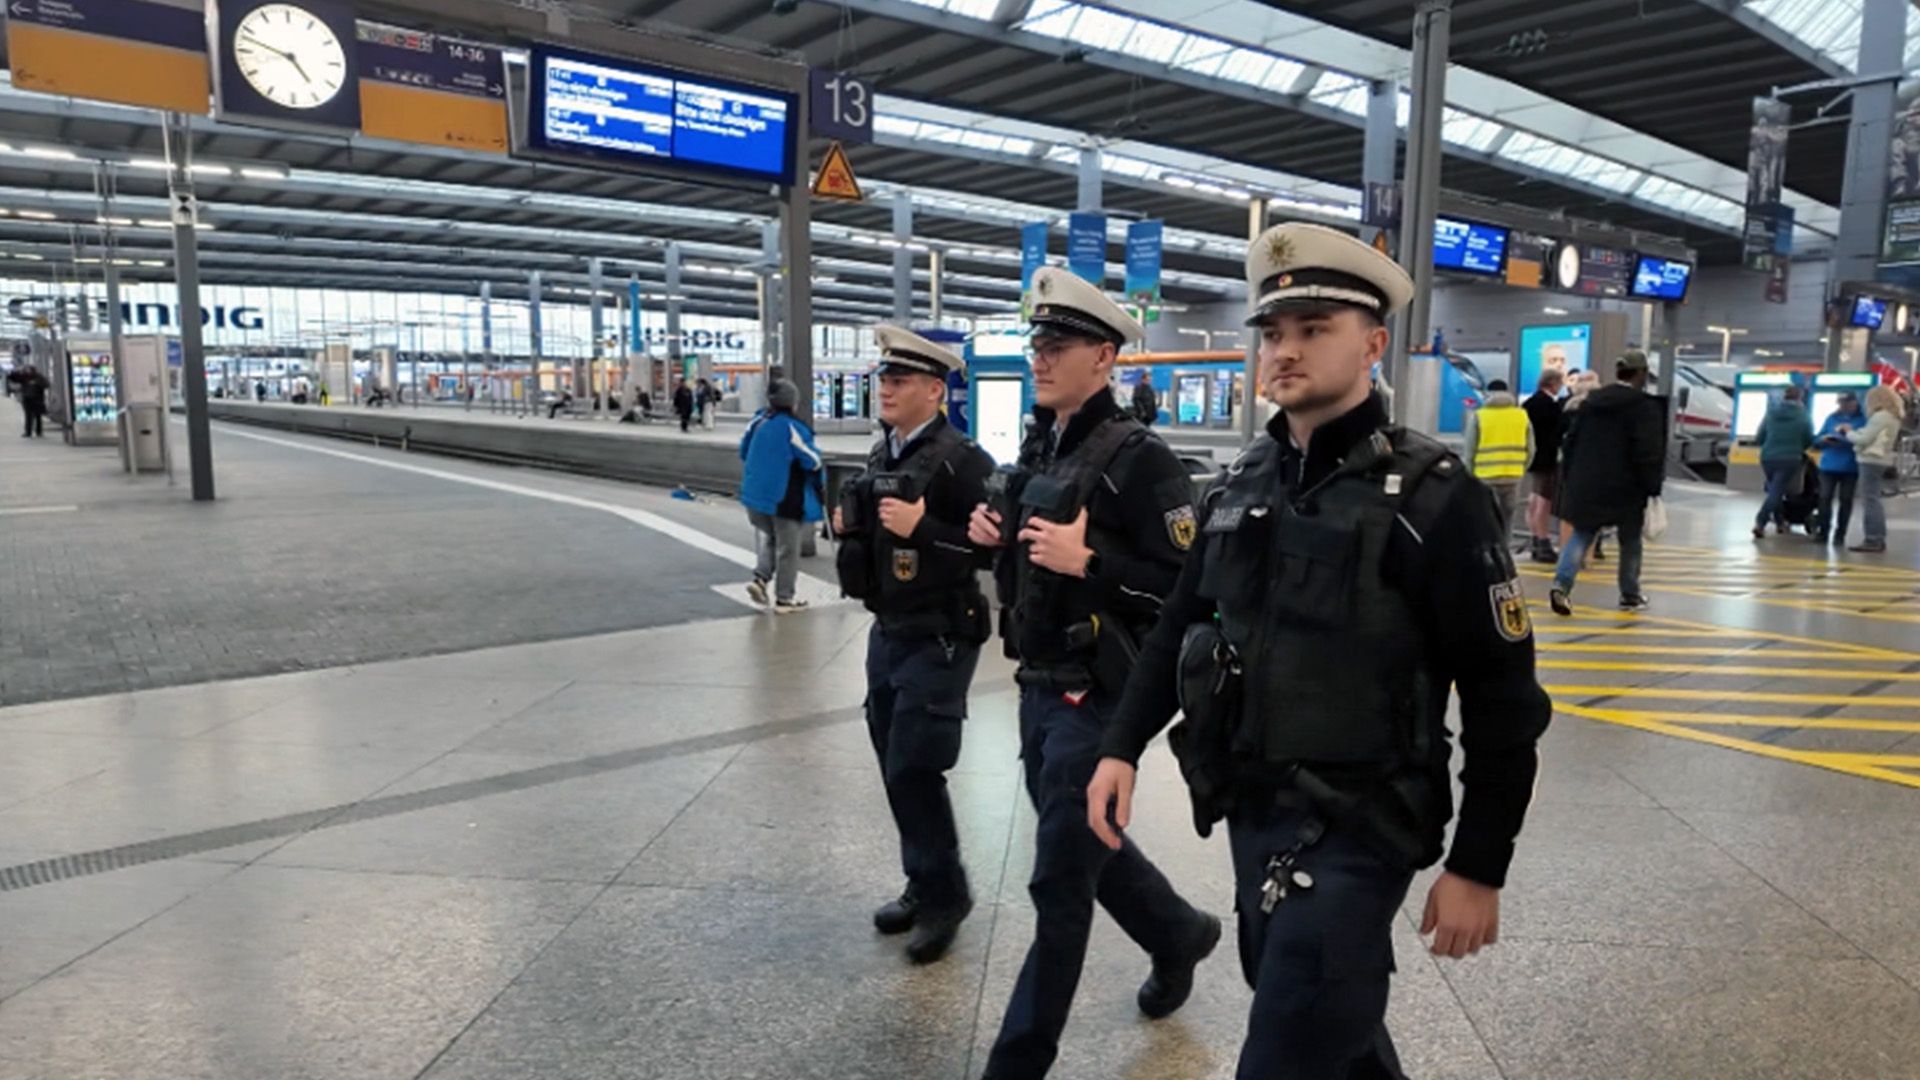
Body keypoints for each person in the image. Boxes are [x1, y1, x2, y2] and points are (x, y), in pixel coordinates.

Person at [1086, 222, 1552, 1080]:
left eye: (1313, 329)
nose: (1285, 351)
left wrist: (1479, 865)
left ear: (1373, 345)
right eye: (1273, 332)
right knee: (1324, 1023)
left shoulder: (1432, 499)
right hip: (1252, 806)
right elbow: (1179, 624)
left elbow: (1504, 700)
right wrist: (1121, 747)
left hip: (1364, 821)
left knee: (1289, 1041)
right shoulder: (1239, 485)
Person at [967, 266, 1220, 1079]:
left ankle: (1015, 1064)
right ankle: (1178, 931)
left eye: (1059, 345)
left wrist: (1093, 563)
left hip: (1101, 696)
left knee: (1058, 883)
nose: (1040, 358)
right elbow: (1030, 557)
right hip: (1040, 686)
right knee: (1082, 842)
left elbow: (1189, 592)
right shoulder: (1044, 442)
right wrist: (992, 534)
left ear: (1105, 357)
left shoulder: (1142, 459)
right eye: (1037, 344)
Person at [832, 325, 995, 965]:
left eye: (900, 381)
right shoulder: (884, 454)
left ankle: (946, 897)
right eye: (884, 380)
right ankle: (923, 880)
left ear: (935, 390)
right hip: (889, 630)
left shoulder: (964, 461)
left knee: (915, 765)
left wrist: (924, 526)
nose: (887, 390)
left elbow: (988, 550)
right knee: (892, 762)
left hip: (941, 633)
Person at [1550, 351, 1666, 616]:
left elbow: (1570, 442)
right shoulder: (1644, 407)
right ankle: (1630, 595)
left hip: (1587, 482)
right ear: (1641, 374)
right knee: (1630, 541)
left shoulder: (1590, 403)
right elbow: (1648, 452)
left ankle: (1561, 586)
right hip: (1627, 486)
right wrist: (1652, 487)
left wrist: (1571, 476)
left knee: (1582, 534)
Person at [738, 378, 823, 612]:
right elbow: (812, 461)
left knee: (773, 537)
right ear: (792, 402)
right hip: (782, 498)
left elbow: (743, 451)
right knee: (788, 549)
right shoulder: (792, 428)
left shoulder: (757, 421)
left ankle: (760, 579)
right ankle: (784, 599)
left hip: (754, 497)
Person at [1463, 378, 1534, 540]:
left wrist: (1470, 474)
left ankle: (1487, 550)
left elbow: (1470, 450)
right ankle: (1505, 550)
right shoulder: (1521, 415)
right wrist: (1521, 468)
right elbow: (1531, 449)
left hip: (1485, 477)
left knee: (1485, 518)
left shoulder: (1479, 416)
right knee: (1507, 519)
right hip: (1512, 476)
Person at [1843, 385, 1907, 553]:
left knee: (1870, 500)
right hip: (1880, 460)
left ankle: (1873, 538)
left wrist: (1848, 432)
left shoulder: (1880, 417)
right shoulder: (1893, 417)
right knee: (1873, 499)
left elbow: (1864, 439)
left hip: (1870, 460)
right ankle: (1877, 537)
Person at [1752, 385, 1815, 539]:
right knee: (1776, 491)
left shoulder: (1771, 412)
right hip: (1790, 458)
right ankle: (1760, 522)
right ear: (1800, 397)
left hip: (1767, 457)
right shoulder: (1803, 415)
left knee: (1775, 488)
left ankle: (1780, 522)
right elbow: (1808, 438)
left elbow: (1759, 436)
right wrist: (1799, 447)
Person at [1522, 369, 1566, 563]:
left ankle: (1535, 538)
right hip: (1547, 458)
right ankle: (1543, 542)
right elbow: (1557, 434)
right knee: (1544, 501)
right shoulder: (1551, 406)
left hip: (1532, 457)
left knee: (1533, 498)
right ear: (1553, 383)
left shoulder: (1528, 404)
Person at [1814, 392, 1864, 547]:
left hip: (1850, 466)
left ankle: (1840, 534)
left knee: (1846, 500)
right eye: (1841, 404)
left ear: (1855, 403)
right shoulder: (1832, 418)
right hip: (1828, 465)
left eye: (1847, 403)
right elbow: (1818, 438)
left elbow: (1863, 440)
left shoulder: (1863, 420)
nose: (1843, 407)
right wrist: (1823, 440)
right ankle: (1823, 531)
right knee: (1824, 498)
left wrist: (1846, 438)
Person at [9, 363, 49, 438]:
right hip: (27, 399)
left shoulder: (39, 377)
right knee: (28, 415)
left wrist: (37, 384)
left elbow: (46, 384)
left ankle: (38, 431)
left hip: (37, 399)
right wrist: (16, 371)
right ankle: (28, 432)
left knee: (38, 416)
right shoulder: (24, 377)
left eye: (29, 370)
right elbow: (12, 378)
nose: (28, 371)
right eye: (27, 370)